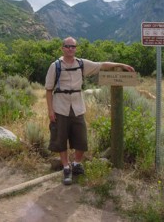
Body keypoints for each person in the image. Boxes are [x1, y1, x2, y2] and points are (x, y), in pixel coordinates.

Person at [45, 36, 135, 185]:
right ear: (62, 48)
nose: (70, 49)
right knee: (61, 139)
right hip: (60, 107)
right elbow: (48, 90)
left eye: (73, 46)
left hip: (78, 107)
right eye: (67, 46)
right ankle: (66, 168)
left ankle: (76, 164)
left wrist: (121, 64)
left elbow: (102, 65)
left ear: (76, 48)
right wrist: (50, 110)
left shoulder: (81, 64)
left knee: (81, 139)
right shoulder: (55, 66)